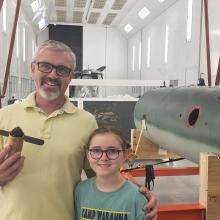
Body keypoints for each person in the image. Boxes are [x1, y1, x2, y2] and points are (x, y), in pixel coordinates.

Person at [0, 40, 157, 220]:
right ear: (32, 69)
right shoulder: (4, 116)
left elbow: (103, 171)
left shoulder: (86, 122)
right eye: (45, 66)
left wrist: (139, 194)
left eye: (62, 70)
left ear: (70, 76)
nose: (53, 74)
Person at [75, 127, 149, 220]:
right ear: (87, 154)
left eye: (112, 151)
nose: (104, 158)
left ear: (125, 154)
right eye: (96, 151)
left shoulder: (137, 198)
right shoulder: (80, 190)